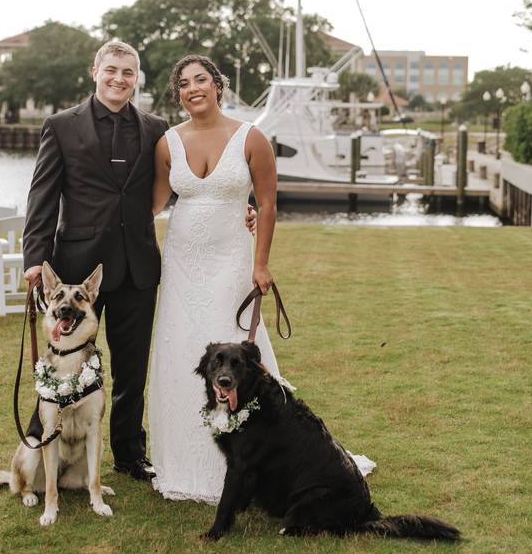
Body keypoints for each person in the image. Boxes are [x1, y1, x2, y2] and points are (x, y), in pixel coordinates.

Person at [20, 42, 255, 481]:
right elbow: (42, 196)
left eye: (128, 72)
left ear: (137, 78)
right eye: (111, 70)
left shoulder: (157, 130)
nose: (119, 79)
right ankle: (43, 442)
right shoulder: (61, 126)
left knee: (132, 369)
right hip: (77, 270)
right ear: (95, 71)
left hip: (138, 268)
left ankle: (130, 454)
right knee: (64, 361)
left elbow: (189, 183)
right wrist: (35, 258)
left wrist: (243, 207)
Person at [147, 55, 376, 503]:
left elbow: (267, 204)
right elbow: (153, 204)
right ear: (178, 94)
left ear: (218, 85)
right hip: (181, 263)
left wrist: (261, 262)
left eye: (201, 80)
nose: (193, 88)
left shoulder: (251, 137)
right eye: (184, 83)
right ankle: (183, 461)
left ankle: (255, 459)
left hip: (232, 260)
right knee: (179, 351)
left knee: (237, 357)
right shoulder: (167, 143)